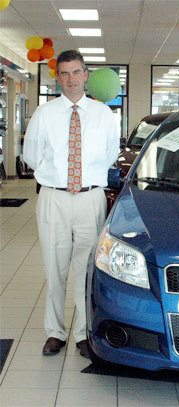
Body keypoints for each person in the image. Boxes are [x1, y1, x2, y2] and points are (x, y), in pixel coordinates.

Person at [23, 50, 119, 358]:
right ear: (58, 78)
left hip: (90, 197)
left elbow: (108, 155)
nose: (71, 79)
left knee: (86, 268)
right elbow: (31, 156)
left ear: (86, 75)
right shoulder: (44, 114)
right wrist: (58, 177)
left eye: (76, 72)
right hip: (54, 197)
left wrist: (84, 179)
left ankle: (82, 333)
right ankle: (55, 331)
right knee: (55, 266)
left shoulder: (103, 114)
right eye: (64, 74)